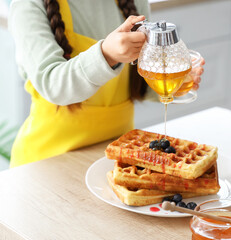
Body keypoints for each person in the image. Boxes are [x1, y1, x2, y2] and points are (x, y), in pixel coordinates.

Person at [9, 0, 205, 168]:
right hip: (46, 163)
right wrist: (106, 55)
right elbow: (52, 83)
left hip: (114, 156)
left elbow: (135, 79)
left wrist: (172, 83)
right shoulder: (28, 5)